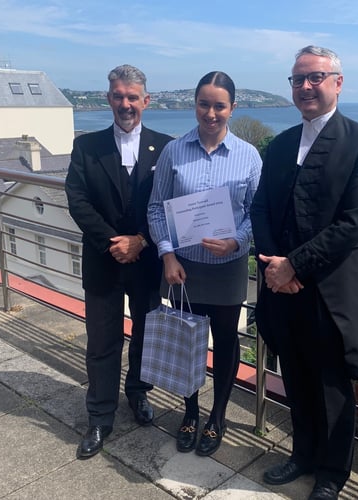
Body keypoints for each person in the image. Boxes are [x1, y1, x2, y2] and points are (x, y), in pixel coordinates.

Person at [250, 46, 358, 500]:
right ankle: (302, 455)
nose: (305, 87)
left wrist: (294, 265)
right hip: (281, 285)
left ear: (338, 83)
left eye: (315, 77)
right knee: (296, 377)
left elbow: (353, 223)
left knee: (332, 386)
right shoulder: (282, 142)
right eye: (296, 79)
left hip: (328, 289)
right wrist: (273, 266)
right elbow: (262, 207)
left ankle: (331, 475)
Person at [147, 71, 261, 457]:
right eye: (203, 104)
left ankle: (218, 417)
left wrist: (237, 239)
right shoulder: (173, 151)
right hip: (184, 269)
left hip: (228, 266)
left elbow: (255, 213)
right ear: (194, 104)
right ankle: (191, 413)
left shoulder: (249, 155)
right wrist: (166, 253)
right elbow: (155, 207)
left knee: (227, 341)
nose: (210, 113)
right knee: (187, 341)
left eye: (219, 105)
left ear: (232, 108)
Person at [65, 64, 173, 459]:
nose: (125, 104)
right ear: (108, 98)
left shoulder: (167, 146)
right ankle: (99, 416)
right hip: (103, 259)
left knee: (146, 336)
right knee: (102, 343)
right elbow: (77, 200)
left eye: (133, 97)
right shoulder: (86, 146)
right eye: (118, 96)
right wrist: (114, 243)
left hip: (146, 261)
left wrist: (140, 240)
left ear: (146, 100)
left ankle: (138, 394)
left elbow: (169, 203)